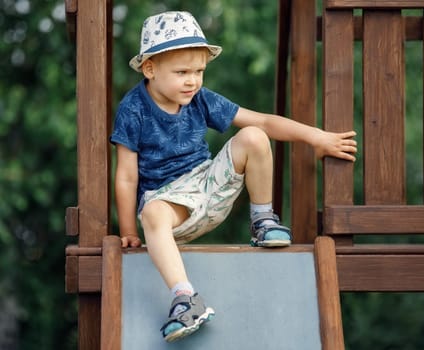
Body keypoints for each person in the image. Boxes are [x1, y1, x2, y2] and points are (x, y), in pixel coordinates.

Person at [110, 11, 358, 342]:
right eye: (182, 72)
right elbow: (126, 176)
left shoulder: (200, 99)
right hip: (168, 205)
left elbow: (266, 122)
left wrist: (317, 138)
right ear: (150, 68)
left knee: (254, 135)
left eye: (199, 71)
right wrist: (128, 231)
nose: (192, 81)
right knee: (151, 213)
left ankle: (262, 220)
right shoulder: (133, 109)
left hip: (208, 187)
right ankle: (185, 298)